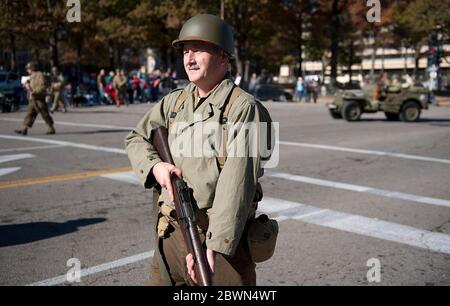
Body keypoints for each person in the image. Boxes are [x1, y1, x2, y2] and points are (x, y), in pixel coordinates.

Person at [125, 14, 272, 286]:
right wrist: (156, 166)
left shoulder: (243, 108)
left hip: (218, 241)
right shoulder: (175, 102)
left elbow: (236, 185)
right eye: (186, 50)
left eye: (198, 49)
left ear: (223, 56)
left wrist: (213, 248)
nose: (189, 58)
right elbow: (136, 138)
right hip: (171, 234)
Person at [14, 62, 55, 136]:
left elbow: (42, 87)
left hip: (39, 98)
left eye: (28, 69)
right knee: (29, 114)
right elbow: (32, 86)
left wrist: (33, 91)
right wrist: (26, 86)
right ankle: (24, 129)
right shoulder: (31, 76)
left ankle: (51, 128)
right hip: (33, 99)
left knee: (44, 114)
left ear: (32, 68)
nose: (27, 70)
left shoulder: (39, 75)